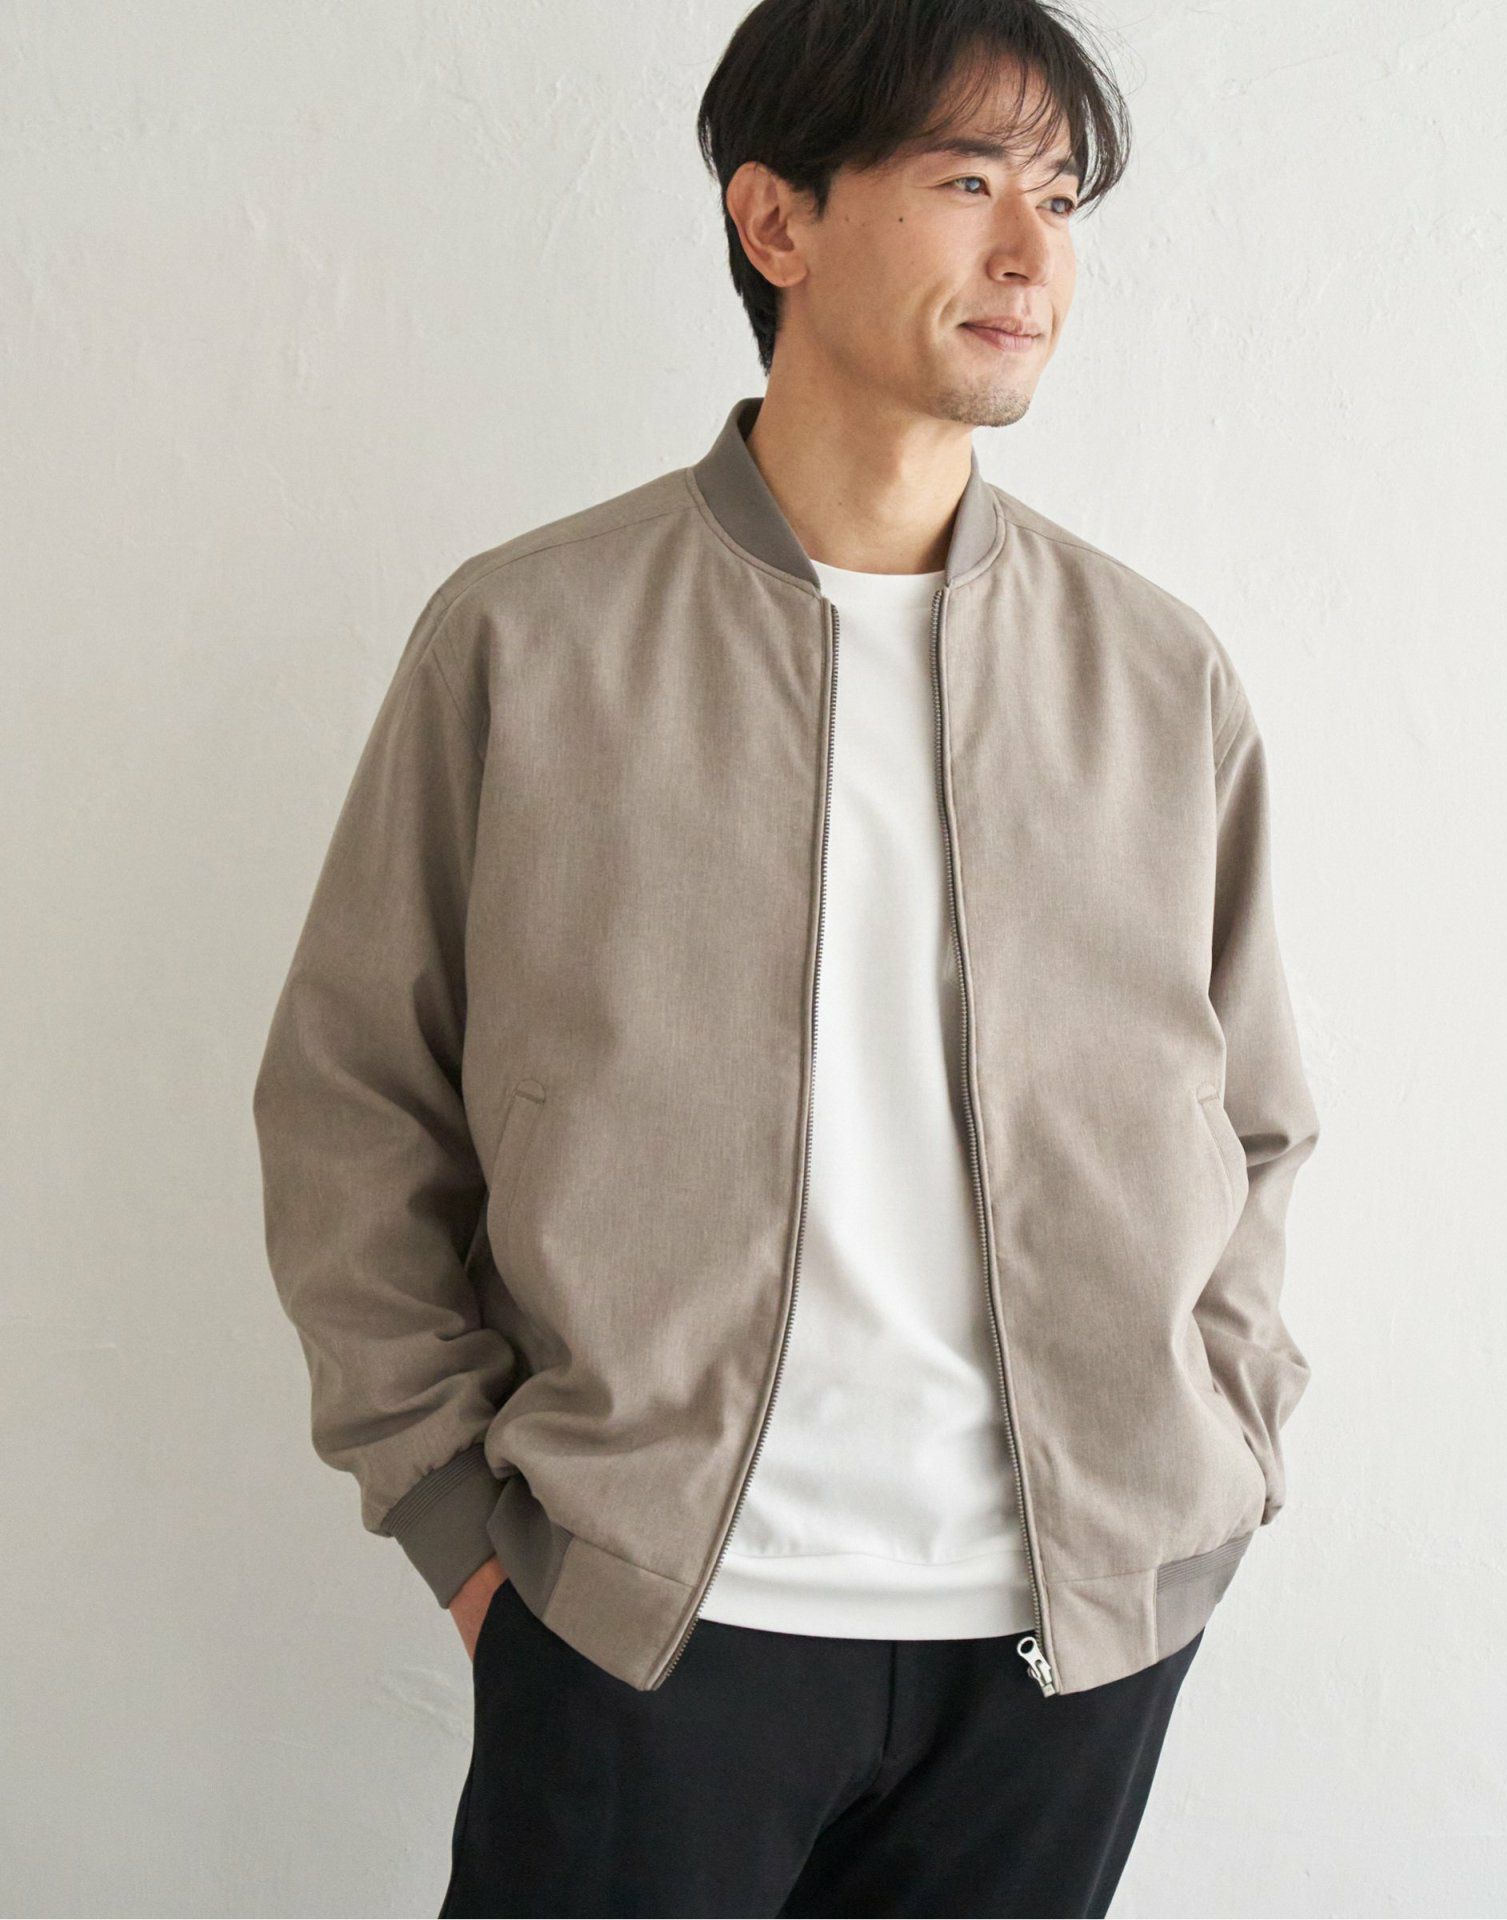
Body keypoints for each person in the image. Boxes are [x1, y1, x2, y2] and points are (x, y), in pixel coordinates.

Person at [251, 2, 1321, 1913]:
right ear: (777, 220)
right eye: (969, 180)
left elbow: (1250, 1122)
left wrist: (1209, 1483)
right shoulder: (529, 641)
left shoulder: (1156, 677)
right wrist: (468, 1533)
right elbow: (356, 1103)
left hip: (1065, 1652)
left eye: (1063, 196)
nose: (1034, 253)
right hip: (649, 1629)